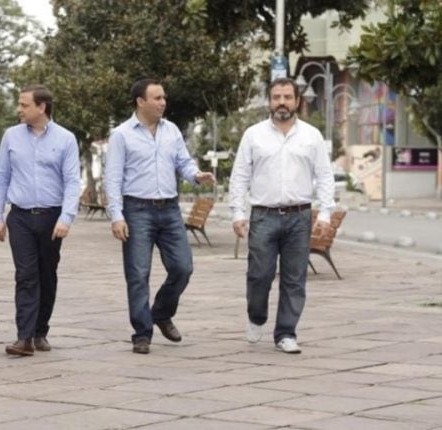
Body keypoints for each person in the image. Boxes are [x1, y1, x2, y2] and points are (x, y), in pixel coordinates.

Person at [104, 78, 215, 354]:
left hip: (169, 209)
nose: (163, 102)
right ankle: (142, 332)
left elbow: (183, 162)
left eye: (164, 97)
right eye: (156, 98)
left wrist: (196, 175)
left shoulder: (172, 131)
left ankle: (162, 312)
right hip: (136, 210)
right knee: (138, 273)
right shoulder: (121, 134)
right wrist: (116, 216)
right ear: (140, 102)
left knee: (183, 267)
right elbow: (112, 178)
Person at [228, 77, 335, 354]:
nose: (282, 102)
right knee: (259, 275)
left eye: (287, 97)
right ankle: (256, 317)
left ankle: (286, 332)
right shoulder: (253, 135)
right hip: (263, 216)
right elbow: (240, 175)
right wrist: (238, 213)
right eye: (277, 97)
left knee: (294, 278)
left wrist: (325, 213)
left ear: (297, 101)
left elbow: (324, 176)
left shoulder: (311, 136)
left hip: (299, 217)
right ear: (269, 101)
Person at [0, 84, 81, 356]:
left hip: (52, 217)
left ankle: (41, 330)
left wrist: (66, 217)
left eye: (24, 105)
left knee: (47, 275)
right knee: (26, 275)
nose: (19, 109)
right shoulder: (11, 136)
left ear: (42, 107)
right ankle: (25, 337)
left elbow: (72, 182)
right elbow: (1, 177)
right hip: (20, 217)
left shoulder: (66, 139)